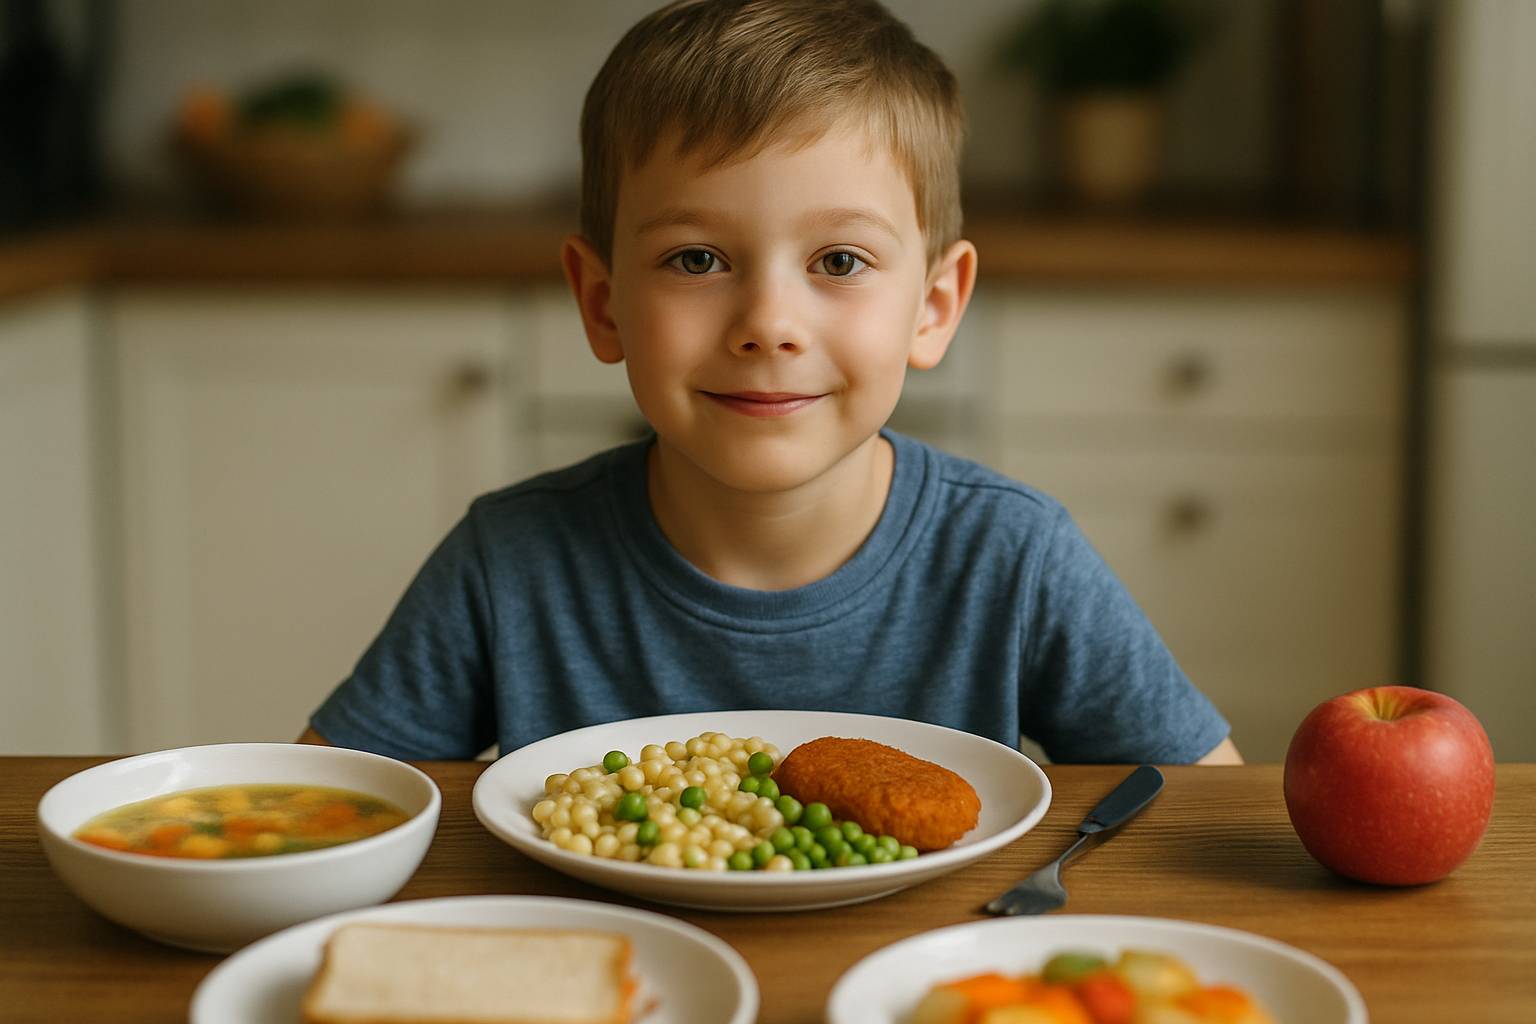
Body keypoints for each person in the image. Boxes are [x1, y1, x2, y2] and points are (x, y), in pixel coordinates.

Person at [300, 0, 1241, 766]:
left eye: (838, 260)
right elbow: (325, 814)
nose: (768, 326)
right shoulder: (508, 564)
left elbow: (1202, 805)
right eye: (698, 258)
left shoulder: (1013, 557)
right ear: (602, 303)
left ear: (934, 306)